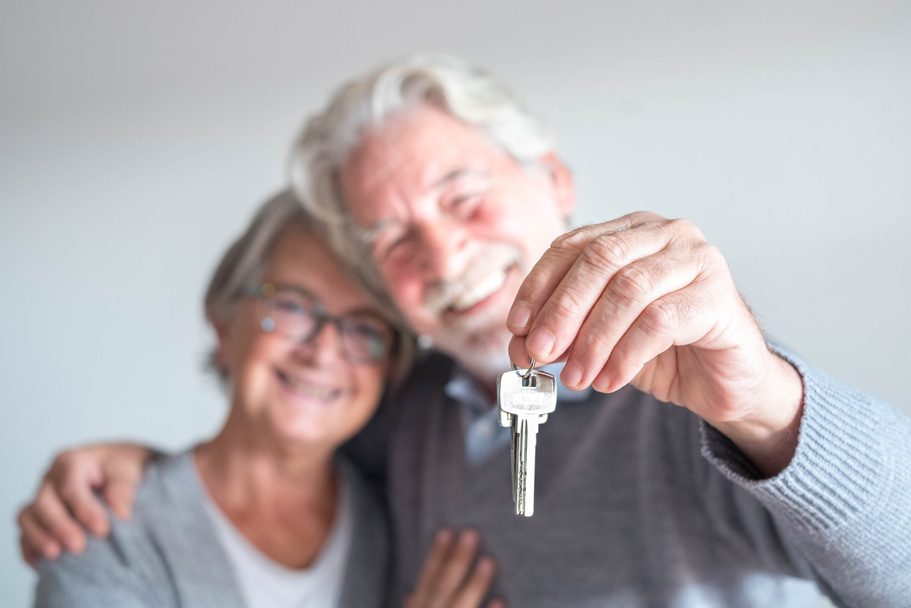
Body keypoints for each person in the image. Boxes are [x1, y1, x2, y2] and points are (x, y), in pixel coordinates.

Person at [19, 55, 911, 606]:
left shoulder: (704, 386)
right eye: (393, 241)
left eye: (463, 198)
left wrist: (763, 402)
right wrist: (141, 464)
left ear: (552, 178)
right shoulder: (399, 420)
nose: (444, 258)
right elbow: (264, 459)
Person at [26, 190, 501, 608]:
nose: (322, 351)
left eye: (364, 328)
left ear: (389, 368)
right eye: (292, 306)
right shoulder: (103, 528)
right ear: (225, 323)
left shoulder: (397, 516)